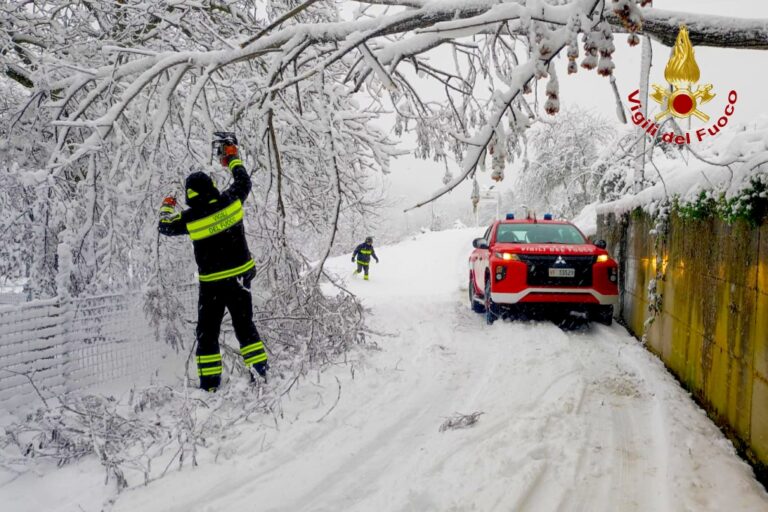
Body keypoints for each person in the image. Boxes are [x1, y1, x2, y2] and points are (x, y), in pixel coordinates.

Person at [157, 136, 268, 391]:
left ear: (189, 195)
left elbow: (164, 226)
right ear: (211, 186)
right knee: (245, 327)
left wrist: (167, 205)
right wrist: (231, 158)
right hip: (240, 279)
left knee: (207, 334)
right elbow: (244, 181)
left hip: (212, 286)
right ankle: (259, 372)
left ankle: (209, 384)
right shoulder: (230, 201)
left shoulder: (190, 218)